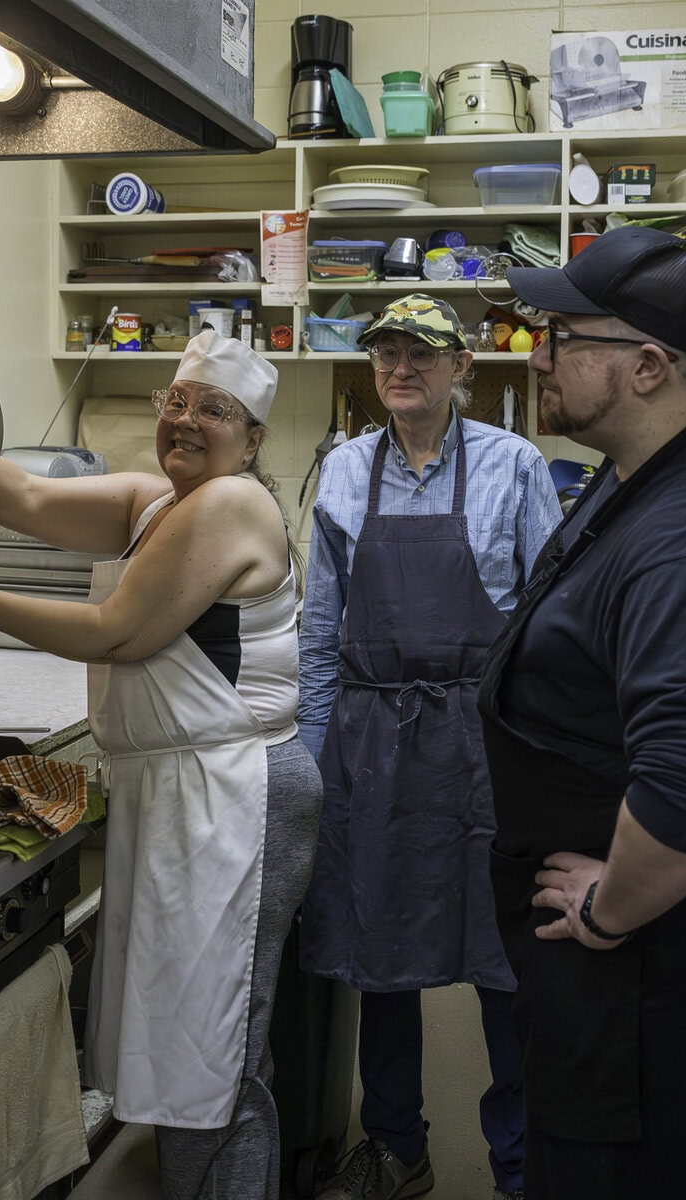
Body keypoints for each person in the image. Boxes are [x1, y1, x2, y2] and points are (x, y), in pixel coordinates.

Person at [0, 331, 321, 1200]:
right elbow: (14, 494)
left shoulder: (231, 505)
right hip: (185, 793)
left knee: (214, 1051)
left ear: (250, 440)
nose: (187, 421)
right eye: (177, 401)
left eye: (215, 410)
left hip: (234, 798)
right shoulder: (153, 501)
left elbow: (117, 632)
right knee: (186, 1040)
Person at [478, 225, 686, 1200]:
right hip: (622, 950)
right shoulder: (635, 475)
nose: (539, 355)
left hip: (646, 955)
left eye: (564, 337)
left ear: (648, 365)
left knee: (615, 1178)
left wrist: (607, 912)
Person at [299, 294, 561, 1200]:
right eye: (386, 354)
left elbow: (547, 631)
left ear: (464, 369)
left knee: (505, 961)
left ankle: (520, 1164)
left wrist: (546, 764)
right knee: (382, 957)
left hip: (484, 741)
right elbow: (320, 629)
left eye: (422, 353)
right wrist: (313, 753)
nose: (400, 368)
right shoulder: (340, 471)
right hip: (371, 738)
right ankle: (395, 1149)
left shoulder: (514, 466)